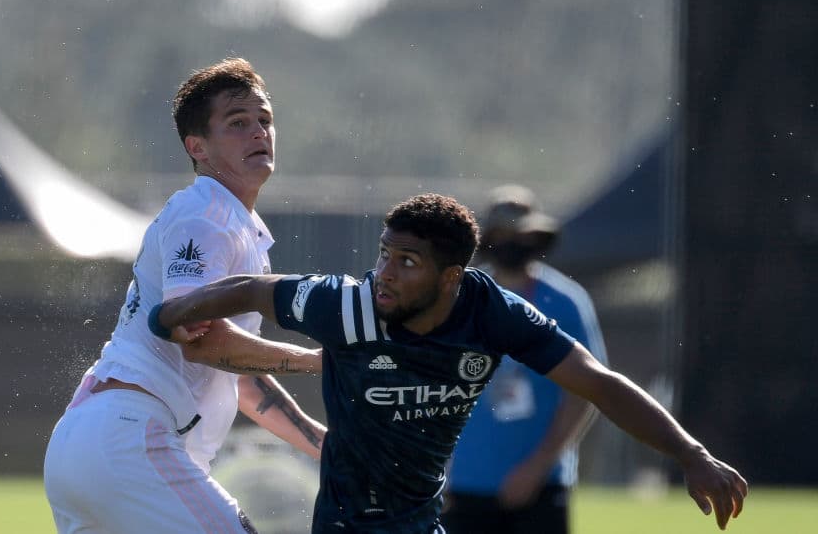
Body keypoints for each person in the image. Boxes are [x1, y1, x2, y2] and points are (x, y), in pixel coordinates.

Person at [150, 193, 748, 534]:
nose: (385, 271)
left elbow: (595, 382)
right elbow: (257, 287)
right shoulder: (350, 305)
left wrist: (691, 454)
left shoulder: (492, 314)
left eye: (407, 261)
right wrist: (173, 312)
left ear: (451, 277)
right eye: (384, 254)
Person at [43, 57, 326, 534]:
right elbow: (203, 341)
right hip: (129, 440)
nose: (259, 132)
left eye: (265, 120)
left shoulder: (232, 222)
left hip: (92, 443)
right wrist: (320, 361)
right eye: (238, 123)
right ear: (198, 147)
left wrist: (324, 444)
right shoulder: (207, 215)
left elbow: (240, 377)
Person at [442, 185, 608, 534]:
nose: (513, 245)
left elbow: (586, 391)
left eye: (520, 235)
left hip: (540, 485)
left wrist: (539, 465)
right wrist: (436, 471)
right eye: (504, 236)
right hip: (465, 485)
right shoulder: (461, 298)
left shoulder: (565, 301)